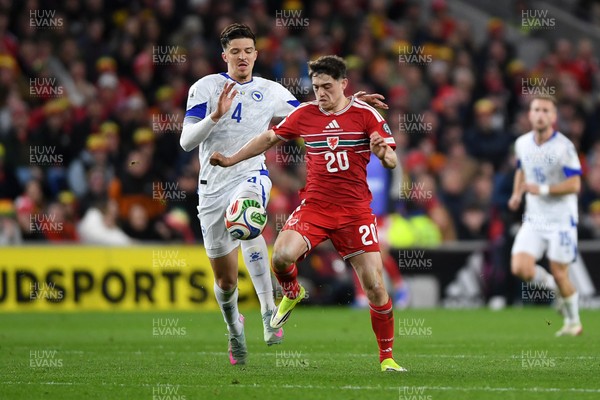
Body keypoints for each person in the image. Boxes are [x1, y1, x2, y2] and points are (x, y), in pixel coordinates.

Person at [180, 24, 387, 365]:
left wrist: (350, 105)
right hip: (211, 185)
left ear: (256, 54)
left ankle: (267, 309)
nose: (242, 56)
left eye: (248, 50)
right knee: (225, 280)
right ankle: (234, 328)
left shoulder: (270, 90)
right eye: (235, 51)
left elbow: (316, 114)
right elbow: (187, 142)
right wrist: (215, 115)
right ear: (225, 56)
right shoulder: (205, 87)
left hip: (249, 173)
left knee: (246, 219)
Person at [508, 94, 583, 336]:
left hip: (561, 219)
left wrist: (543, 189)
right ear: (529, 115)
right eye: (536, 110)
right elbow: (522, 169)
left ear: (553, 117)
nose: (540, 114)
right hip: (534, 218)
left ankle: (573, 323)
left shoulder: (564, 147)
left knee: (560, 272)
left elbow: (575, 185)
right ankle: (555, 289)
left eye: (545, 110)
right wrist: (517, 194)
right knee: (520, 267)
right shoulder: (522, 143)